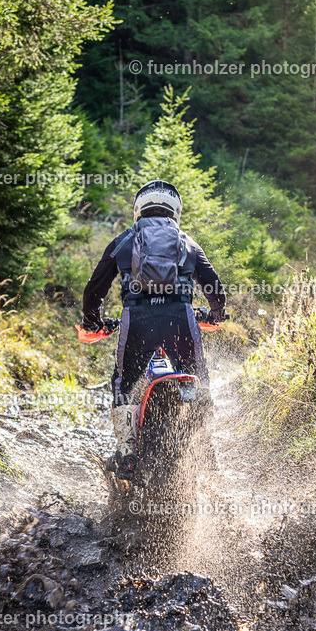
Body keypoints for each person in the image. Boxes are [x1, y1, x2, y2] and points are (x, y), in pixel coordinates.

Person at [78, 180, 226, 475]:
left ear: (138, 209)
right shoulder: (187, 242)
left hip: (138, 320)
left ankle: (127, 450)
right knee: (199, 380)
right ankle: (205, 449)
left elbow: (93, 291)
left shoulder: (123, 240)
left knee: (123, 382)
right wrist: (215, 316)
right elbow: (215, 289)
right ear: (176, 210)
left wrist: (92, 324)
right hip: (180, 319)